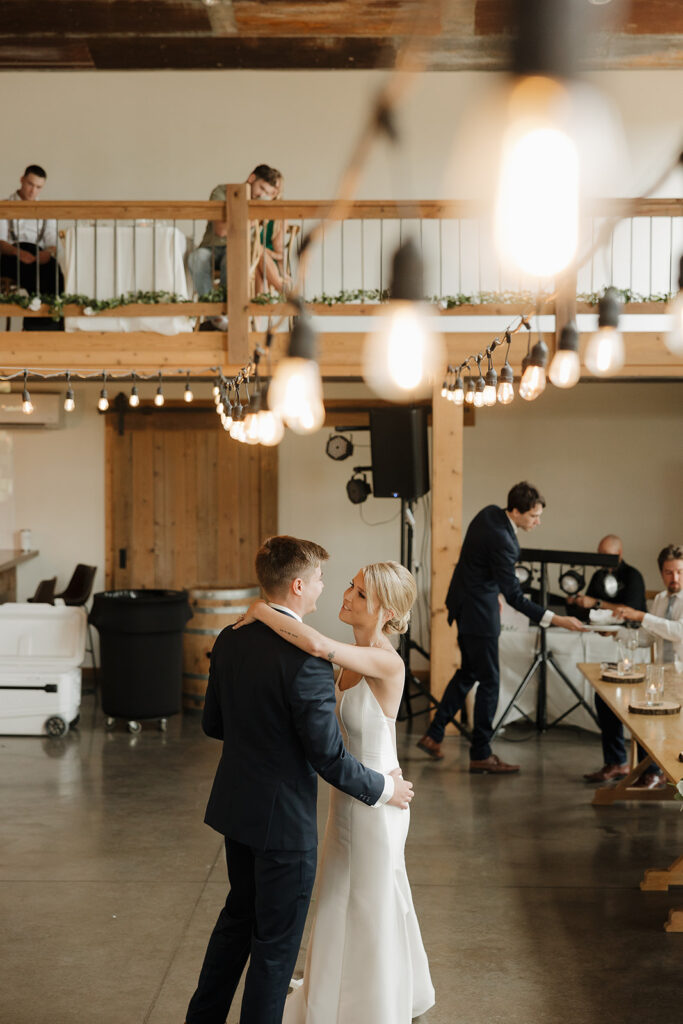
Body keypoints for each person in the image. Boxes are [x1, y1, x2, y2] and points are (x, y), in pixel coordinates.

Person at [184, 537, 414, 1024]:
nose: (328, 589)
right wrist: (385, 788)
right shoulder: (309, 661)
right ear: (297, 584)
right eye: (322, 579)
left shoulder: (231, 638)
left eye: (352, 589)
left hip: (237, 807)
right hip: (286, 821)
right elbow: (329, 758)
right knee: (275, 947)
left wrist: (257, 611)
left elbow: (213, 726)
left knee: (236, 922)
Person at [238, 561, 435, 1024]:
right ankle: (330, 996)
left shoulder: (388, 662)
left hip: (380, 802)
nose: (347, 595)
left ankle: (377, 1006)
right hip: (345, 799)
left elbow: (316, 644)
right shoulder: (351, 654)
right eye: (350, 585)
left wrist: (261, 609)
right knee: (335, 896)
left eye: (361, 594)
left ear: (386, 611)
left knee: (371, 901)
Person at [417, 481, 585, 773]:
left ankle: (434, 734)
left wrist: (491, 590)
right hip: (479, 615)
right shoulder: (505, 541)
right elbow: (515, 597)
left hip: (465, 604)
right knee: (491, 681)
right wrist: (556, 619)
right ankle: (481, 753)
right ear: (517, 511)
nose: (538, 521)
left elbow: (479, 563)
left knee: (469, 672)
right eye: (533, 516)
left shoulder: (489, 513)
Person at [567, 536, 650, 785]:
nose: (602, 560)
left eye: (606, 555)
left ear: (619, 553)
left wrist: (598, 603)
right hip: (601, 642)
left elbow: (633, 610)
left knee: (638, 704)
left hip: (632, 645)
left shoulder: (633, 576)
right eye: (599, 554)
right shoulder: (598, 577)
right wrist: (577, 604)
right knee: (603, 698)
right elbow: (590, 610)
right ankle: (616, 763)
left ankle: (651, 771)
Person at [612, 543, 683, 790]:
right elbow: (649, 637)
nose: (674, 577)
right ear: (661, 572)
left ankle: (656, 773)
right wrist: (614, 633)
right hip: (661, 674)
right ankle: (629, 766)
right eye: (669, 572)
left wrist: (641, 615)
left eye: (679, 572)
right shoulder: (661, 600)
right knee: (626, 707)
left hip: (681, 677)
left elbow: (678, 631)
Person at [188, 163, 282, 329]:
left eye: (267, 193)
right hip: (212, 247)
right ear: (251, 178)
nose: (262, 195)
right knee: (196, 258)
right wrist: (251, 218)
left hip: (239, 250)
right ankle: (215, 317)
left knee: (232, 260)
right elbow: (221, 230)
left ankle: (227, 316)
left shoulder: (262, 204)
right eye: (261, 188)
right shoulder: (222, 192)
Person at [0, 164, 63, 331]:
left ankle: (52, 326)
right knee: (30, 272)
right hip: (10, 255)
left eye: (38, 187)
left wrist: (47, 253)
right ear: (22, 180)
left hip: (36, 254)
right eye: (30, 184)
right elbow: (1, 242)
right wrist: (18, 253)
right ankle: (33, 326)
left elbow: (52, 242)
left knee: (54, 271)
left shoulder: (45, 211)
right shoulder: (4, 206)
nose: (33, 191)